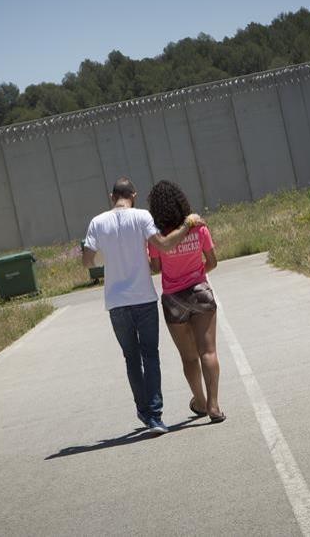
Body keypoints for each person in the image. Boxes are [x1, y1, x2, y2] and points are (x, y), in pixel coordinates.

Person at [82, 177, 203, 435]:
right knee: (151, 356)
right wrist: (187, 225)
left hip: (116, 302)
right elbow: (165, 245)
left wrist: (108, 256)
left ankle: (144, 411)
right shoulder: (142, 217)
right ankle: (156, 416)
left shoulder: (97, 222)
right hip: (144, 298)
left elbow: (87, 261)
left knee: (131, 359)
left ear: (111, 196)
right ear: (133, 195)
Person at [146, 180, 225, 423]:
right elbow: (212, 261)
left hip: (174, 299)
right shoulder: (199, 228)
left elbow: (156, 269)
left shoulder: (159, 237)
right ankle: (214, 406)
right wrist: (197, 273)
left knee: (189, 357)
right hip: (200, 291)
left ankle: (199, 401)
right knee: (208, 351)